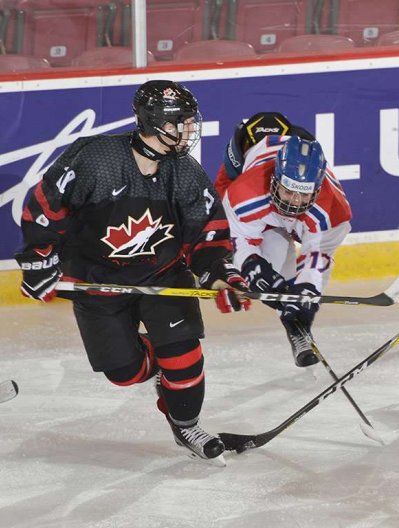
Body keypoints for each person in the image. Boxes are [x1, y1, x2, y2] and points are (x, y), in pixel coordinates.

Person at [15, 80, 250, 463]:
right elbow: (46, 205)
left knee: (184, 355)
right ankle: (158, 367)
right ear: (155, 122)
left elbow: (206, 231)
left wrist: (219, 274)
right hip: (97, 279)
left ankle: (185, 422)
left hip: (164, 275)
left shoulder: (184, 173)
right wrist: (39, 259)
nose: (190, 129)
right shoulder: (96, 160)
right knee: (123, 372)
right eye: (182, 122)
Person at [214, 114, 352, 368]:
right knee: (270, 262)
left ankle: (299, 325)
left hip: (282, 199)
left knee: (306, 287)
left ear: (318, 187)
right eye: (288, 191)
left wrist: (308, 290)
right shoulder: (242, 194)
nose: (294, 202)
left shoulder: (333, 211)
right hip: (255, 193)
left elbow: (316, 256)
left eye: (303, 194)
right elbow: (239, 242)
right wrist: (252, 268)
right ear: (275, 179)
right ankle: (293, 324)